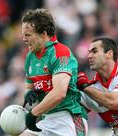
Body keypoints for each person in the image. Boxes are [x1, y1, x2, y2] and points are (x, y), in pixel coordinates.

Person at [19, 8, 88, 136]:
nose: (24, 39)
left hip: (69, 118)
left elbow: (59, 93)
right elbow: (29, 88)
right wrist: (29, 94)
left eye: (28, 35)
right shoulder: (30, 57)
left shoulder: (61, 52)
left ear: (43, 34)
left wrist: (33, 113)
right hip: (47, 119)